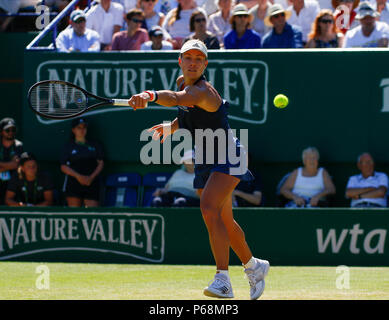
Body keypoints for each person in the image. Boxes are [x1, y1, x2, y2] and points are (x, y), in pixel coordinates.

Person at [128, 39, 270, 300]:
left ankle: (223, 279)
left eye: (198, 59)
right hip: (206, 157)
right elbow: (185, 112)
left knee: (208, 207)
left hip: (228, 154)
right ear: (180, 61)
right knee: (224, 220)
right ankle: (254, 266)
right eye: (188, 58)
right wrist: (172, 126)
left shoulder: (201, 90)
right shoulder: (185, 85)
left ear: (205, 64)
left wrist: (149, 96)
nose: (193, 62)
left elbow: (177, 99)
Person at [60, 118, 104, 208]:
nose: (82, 130)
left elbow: (101, 163)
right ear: (73, 130)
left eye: (84, 127)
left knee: (93, 213)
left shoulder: (95, 144)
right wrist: (78, 177)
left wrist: (91, 178)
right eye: (79, 128)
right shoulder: (68, 146)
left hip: (91, 182)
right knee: (74, 213)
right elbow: (63, 166)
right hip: (74, 183)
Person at [0, 118, 23, 205]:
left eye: (13, 129)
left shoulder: (18, 145)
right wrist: (9, 164)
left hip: (12, 184)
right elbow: (12, 164)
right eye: (7, 130)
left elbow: (16, 165)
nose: (10, 132)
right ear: (1, 132)